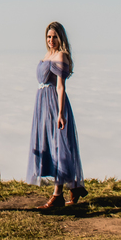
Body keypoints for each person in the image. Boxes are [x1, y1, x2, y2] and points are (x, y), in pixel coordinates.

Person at [26, 21, 87, 208]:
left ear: (61, 38)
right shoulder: (48, 55)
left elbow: (61, 87)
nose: (51, 40)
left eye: (54, 37)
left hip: (53, 103)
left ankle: (57, 195)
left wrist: (61, 113)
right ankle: (74, 187)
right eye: (48, 37)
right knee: (50, 146)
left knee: (58, 146)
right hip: (42, 104)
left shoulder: (60, 55)